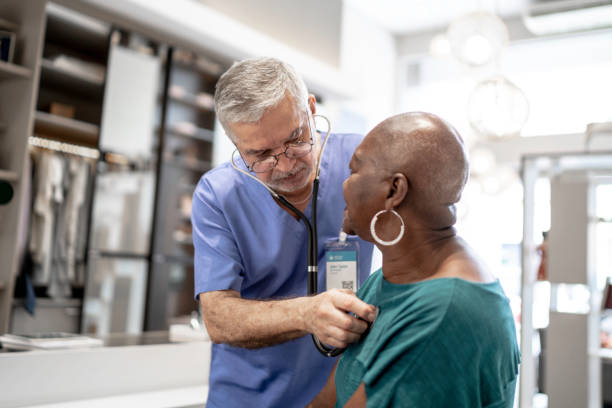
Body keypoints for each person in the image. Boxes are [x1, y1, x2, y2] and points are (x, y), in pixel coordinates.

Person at [191, 57, 376, 408]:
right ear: (235, 144)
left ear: (310, 108)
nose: (287, 164)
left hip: (343, 392)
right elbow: (217, 319)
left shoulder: (362, 159)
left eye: (296, 139)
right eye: (260, 154)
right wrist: (306, 314)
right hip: (247, 396)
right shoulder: (218, 195)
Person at [309, 112, 521, 407]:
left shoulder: (443, 313)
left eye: (354, 171)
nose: (343, 185)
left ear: (394, 190)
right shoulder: (390, 279)